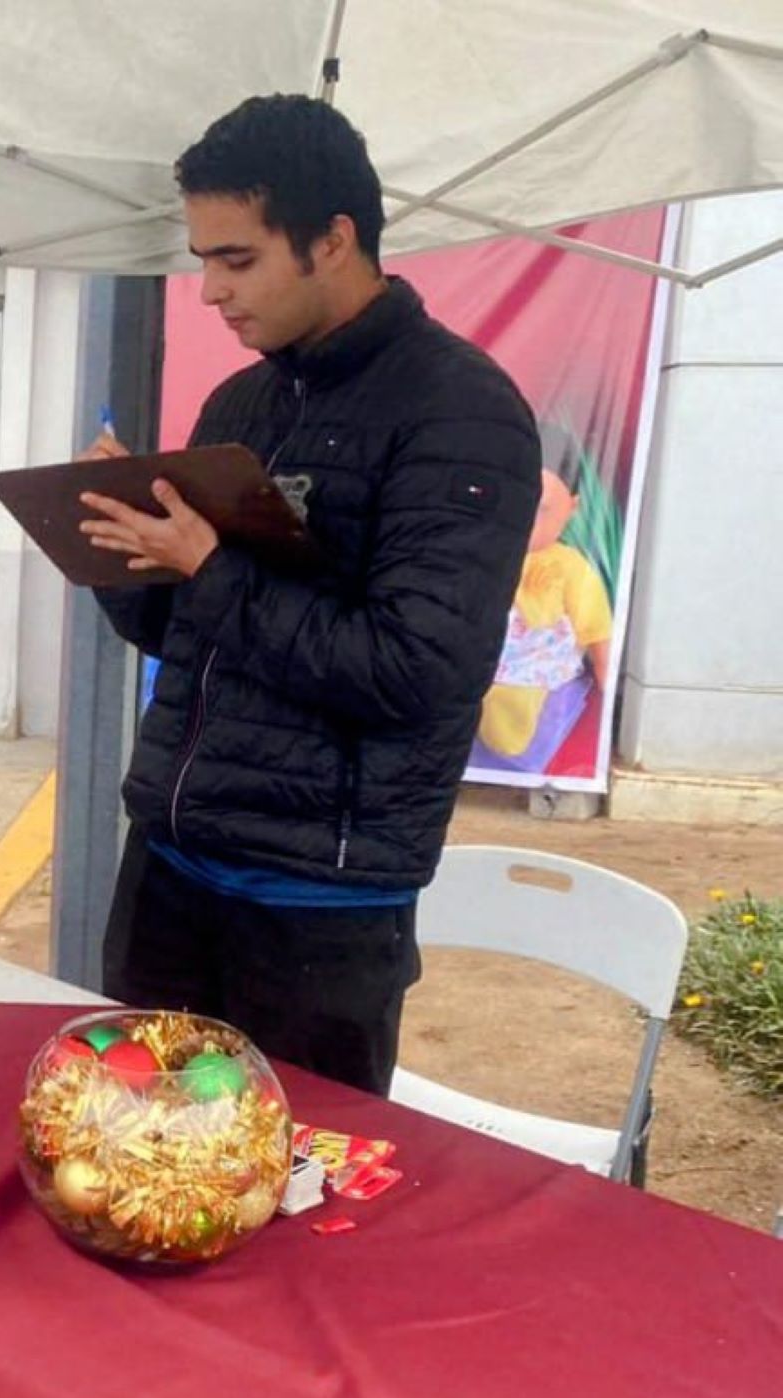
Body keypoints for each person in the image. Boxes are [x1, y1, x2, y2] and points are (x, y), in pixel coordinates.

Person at [79, 95, 539, 1095]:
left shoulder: (461, 411)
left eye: (235, 260)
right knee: (131, 1158)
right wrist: (124, 548)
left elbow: (413, 669)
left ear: (333, 241)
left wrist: (208, 564)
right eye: (201, 258)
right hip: (169, 864)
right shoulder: (244, 401)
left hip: (318, 906)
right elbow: (183, 632)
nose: (209, 292)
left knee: (295, 1195)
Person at [475, 421, 613, 767]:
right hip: (477, 666)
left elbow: (595, 625)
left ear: (573, 508)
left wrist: (605, 672)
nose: (526, 521)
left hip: (539, 670)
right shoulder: (478, 551)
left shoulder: (568, 566)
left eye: (542, 510)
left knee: (521, 717)